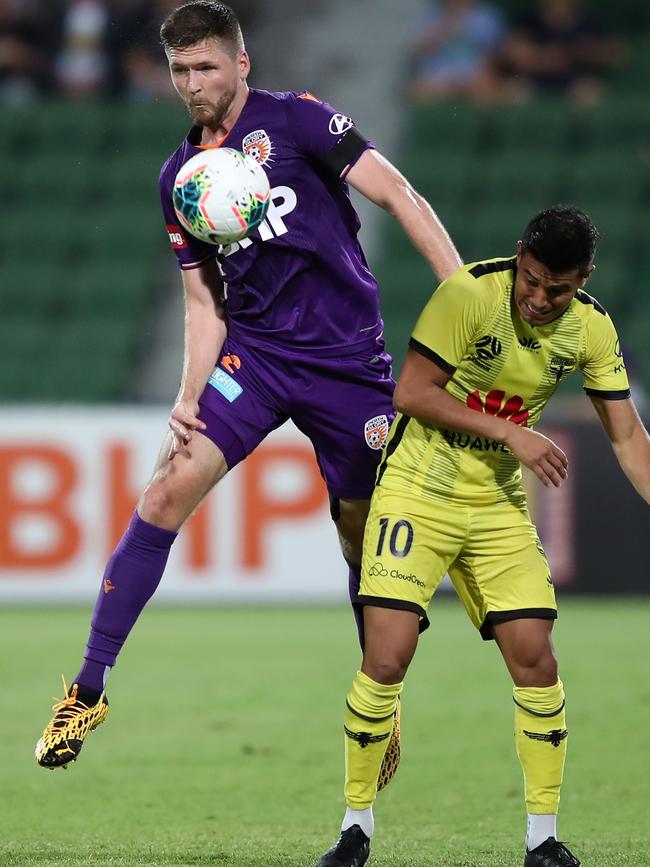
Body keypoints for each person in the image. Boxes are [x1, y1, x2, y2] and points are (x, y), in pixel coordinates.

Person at [34, 0, 462, 784]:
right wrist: (187, 395)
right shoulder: (180, 179)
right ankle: (86, 691)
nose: (194, 85)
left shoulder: (298, 123)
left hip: (346, 363)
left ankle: (380, 694)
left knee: (360, 538)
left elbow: (399, 194)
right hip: (256, 359)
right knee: (163, 494)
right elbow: (204, 304)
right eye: (180, 71)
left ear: (241, 64)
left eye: (206, 67)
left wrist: (463, 296)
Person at [316, 206, 650, 867]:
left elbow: (630, 437)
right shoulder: (469, 292)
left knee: (537, 659)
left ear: (582, 278)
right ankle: (355, 828)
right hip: (417, 484)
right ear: (519, 255)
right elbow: (411, 391)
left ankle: (542, 839)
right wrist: (511, 431)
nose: (538, 297)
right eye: (531, 280)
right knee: (386, 657)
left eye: (557, 288)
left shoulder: (591, 328)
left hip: (494, 504)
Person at [407, 0, 507, 104]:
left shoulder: (486, 17)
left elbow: (495, 55)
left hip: (475, 79)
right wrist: (445, 30)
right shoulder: (432, 14)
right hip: (437, 80)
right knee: (417, 90)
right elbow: (418, 49)